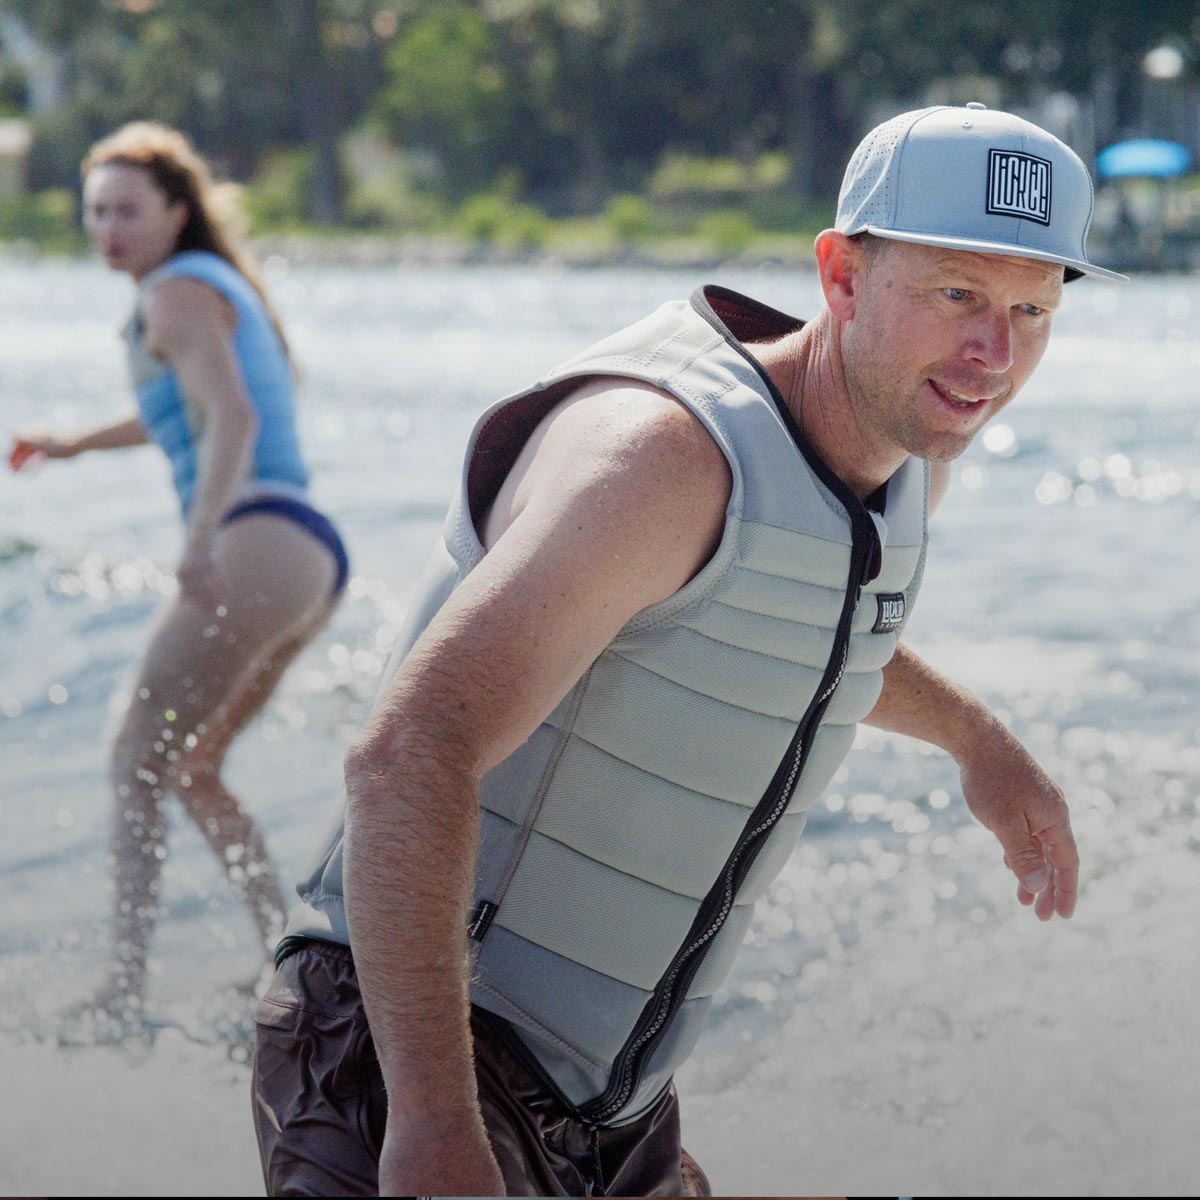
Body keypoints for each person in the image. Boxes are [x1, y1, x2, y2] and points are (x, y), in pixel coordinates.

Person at [251, 105, 1123, 1197]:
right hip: (413, 1050)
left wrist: (978, 742)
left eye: (1032, 310)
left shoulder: (903, 457)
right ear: (842, 274)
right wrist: (431, 1128)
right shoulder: (662, 459)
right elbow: (406, 757)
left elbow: (787, 624)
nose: (994, 352)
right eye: (956, 294)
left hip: (611, 1113)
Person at [8, 122, 349, 1033]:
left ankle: (121, 989)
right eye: (95, 212)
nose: (108, 228)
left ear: (175, 211)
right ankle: (286, 964)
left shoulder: (173, 294)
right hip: (310, 556)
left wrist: (200, 540)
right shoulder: (204, 288)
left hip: (253, 539)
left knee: (133, 758)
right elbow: (185, 406)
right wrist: (71, 445)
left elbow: (231, 418)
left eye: (127, 209)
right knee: (194, 768)